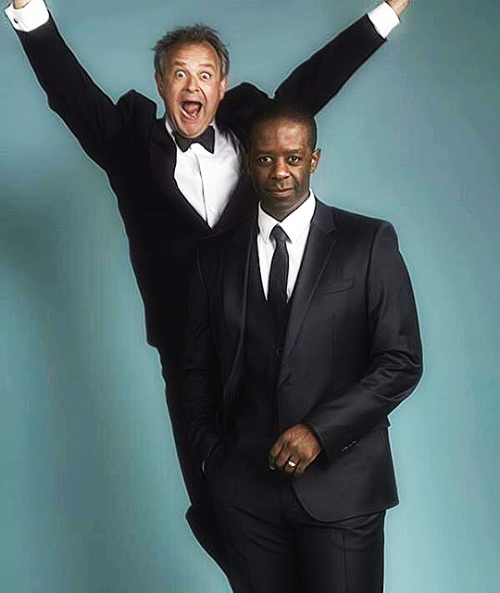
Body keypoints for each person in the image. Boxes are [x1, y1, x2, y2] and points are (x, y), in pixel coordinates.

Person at [5, 0, 409, 570]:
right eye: (179, 74)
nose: (191, 86)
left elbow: (317, 80)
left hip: (268, 361)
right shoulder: (129, 148)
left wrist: (386, 12)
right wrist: (29, 11)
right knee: (227, 524)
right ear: (161, 84)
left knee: (306, 510)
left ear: (221, 86)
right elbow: (68, 91)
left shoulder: (254, 136)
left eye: (204, 74)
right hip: (191, 368)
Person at [183, 101, 423, 592]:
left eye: (293, 158)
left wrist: (320, 430)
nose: (279, 172)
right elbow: (197, 368)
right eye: (266, 159)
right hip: (245, 493)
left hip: (342, 484)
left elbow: (401, 361)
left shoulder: (367, 242)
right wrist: (213, 457)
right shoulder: (215, 258)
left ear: (314, 160)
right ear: (249, 161)